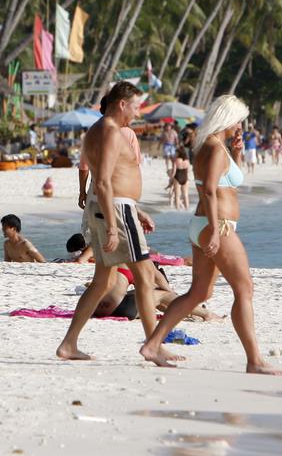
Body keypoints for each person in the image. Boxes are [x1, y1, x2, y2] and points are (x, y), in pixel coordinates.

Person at [138, 95, 282, 375]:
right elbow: (208, 191)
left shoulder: (211, 146)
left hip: (205, 224)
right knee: (244, 289)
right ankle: (254, 360)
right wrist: (216, 230)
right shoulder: (214, 148)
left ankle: (153, 344)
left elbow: (224, 185)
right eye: (239, 119)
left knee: (200, 292)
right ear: (228, 119)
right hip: (217, 226)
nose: (241, 125)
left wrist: (237, 153)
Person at [57, 82, 161, 361]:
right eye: (136, 106)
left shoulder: (97, 130)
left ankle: (69, 344)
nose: (138, 113)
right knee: (146, 276)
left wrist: (136, 212)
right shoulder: (112, 132)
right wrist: (116, 225)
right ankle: (153, 346)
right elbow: (102, 182)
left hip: (113, 209)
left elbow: (111, 180)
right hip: (115, 211)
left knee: (102, 281)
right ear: (122, 104)